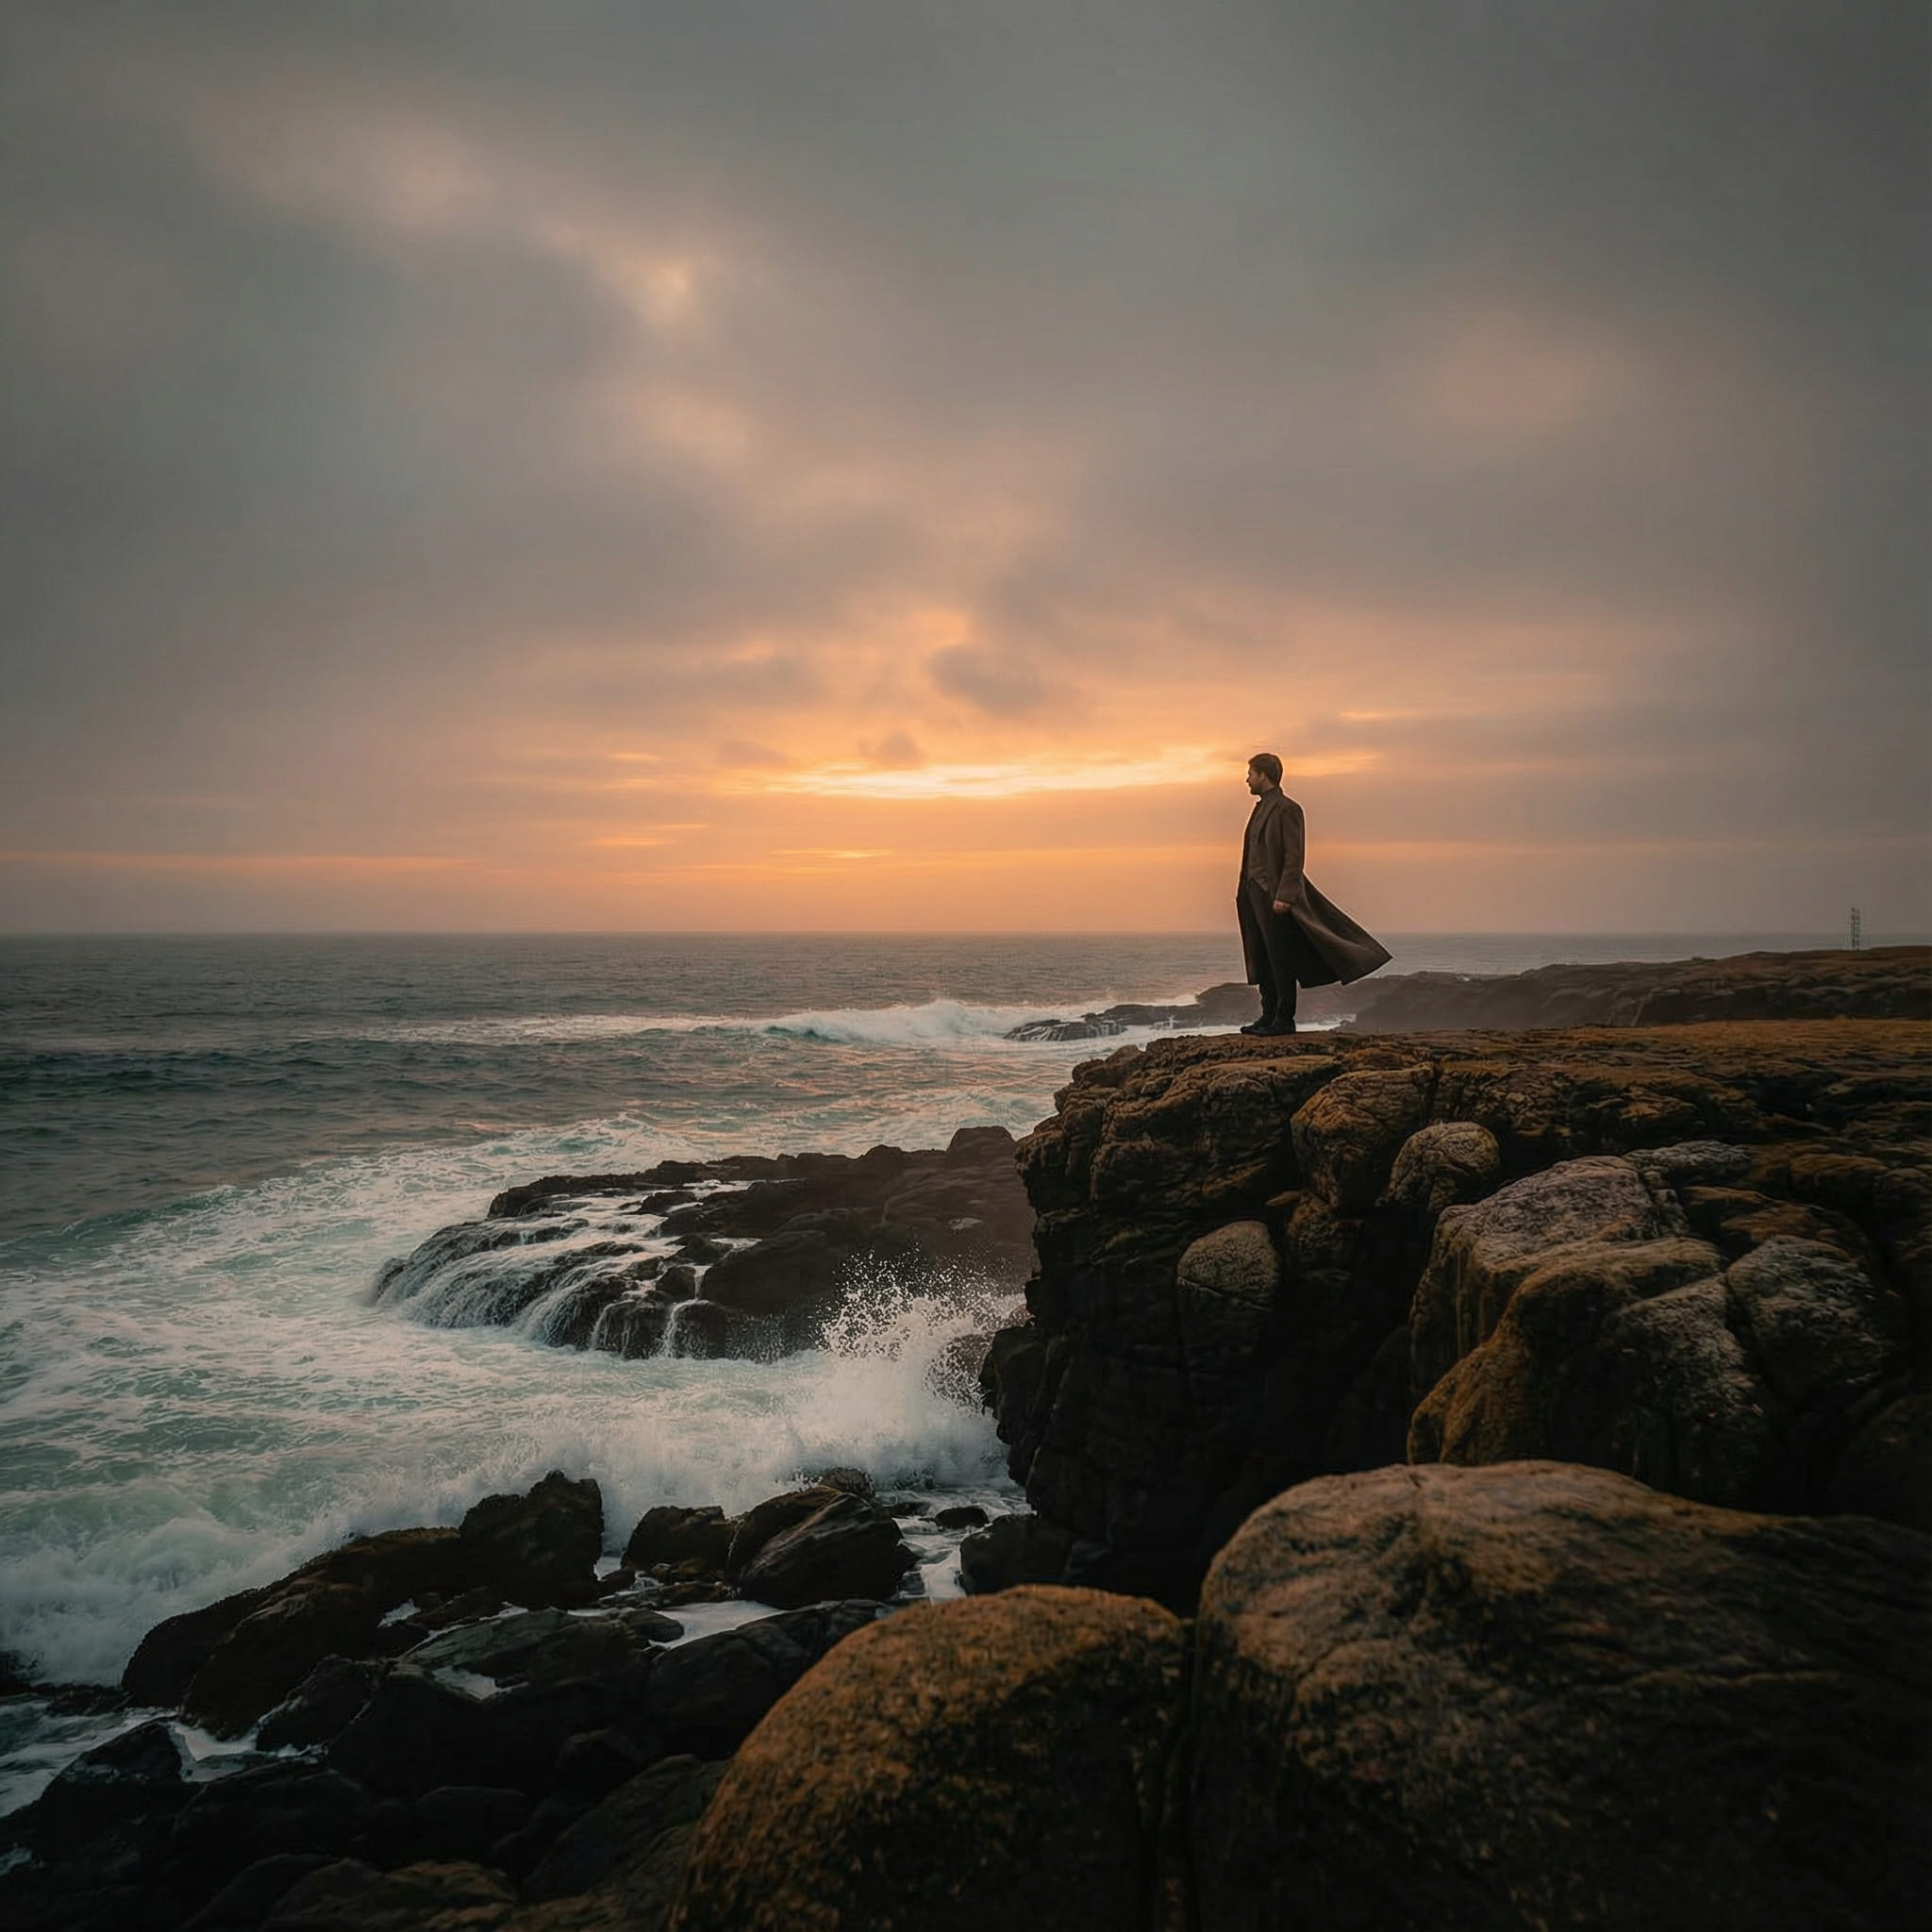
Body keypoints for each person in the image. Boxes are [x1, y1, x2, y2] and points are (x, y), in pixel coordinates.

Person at [1237, 752, 1391, 1034]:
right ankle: (1267, 1015)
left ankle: (1284, 1020)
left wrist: (1284, 895)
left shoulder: (1288, 809)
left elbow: (1294, 857)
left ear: (1264, 775)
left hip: (1274, 895)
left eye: (1251, 773)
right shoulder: (1259, 809)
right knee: (1261, 956)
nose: (1247, 778)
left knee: (1279, 957)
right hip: (1253, 894)